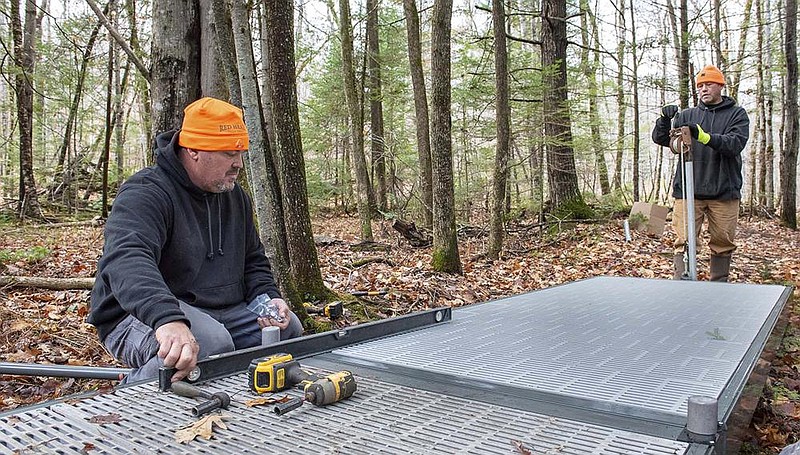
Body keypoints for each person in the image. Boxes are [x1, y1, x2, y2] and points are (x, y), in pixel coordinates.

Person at [88, 97, 303, 383]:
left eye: (240, 153)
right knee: (209, 344)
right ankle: (128, 401)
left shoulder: (234, 196)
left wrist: (268, 296)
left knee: (286, 331)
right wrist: (166, 318)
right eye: (228, 153)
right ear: (193, 150)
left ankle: (236, 401)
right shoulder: (146, 193)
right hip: (139, 312)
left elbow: (253, 259)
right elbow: (128, 259)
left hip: (223, 311)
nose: (238, 164)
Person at [652, 65, 750, 282]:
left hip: (723, 190)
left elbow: (735, 144)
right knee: (684, 240)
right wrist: (664, 119)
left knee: (722, 242)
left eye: (709, 85)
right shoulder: (687, 115)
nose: (704, 89)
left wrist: (703, 137)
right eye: (700, 86)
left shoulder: (737, 114)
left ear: (720, 86)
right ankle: (683, 285)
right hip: (688, 190)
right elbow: (662, 139)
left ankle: (718, 287)